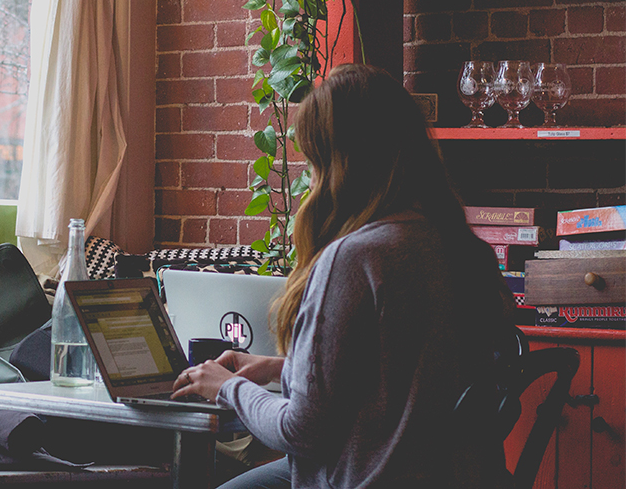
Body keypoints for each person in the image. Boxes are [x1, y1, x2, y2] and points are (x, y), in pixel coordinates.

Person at [171, 64, 514, 489]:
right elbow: (400, 379)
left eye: (314, 161)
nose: (310, 177)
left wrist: (226, 388)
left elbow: (301, 432)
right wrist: (279, 368)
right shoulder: (463, 248)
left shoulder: (355, 259)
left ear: (340, 164)